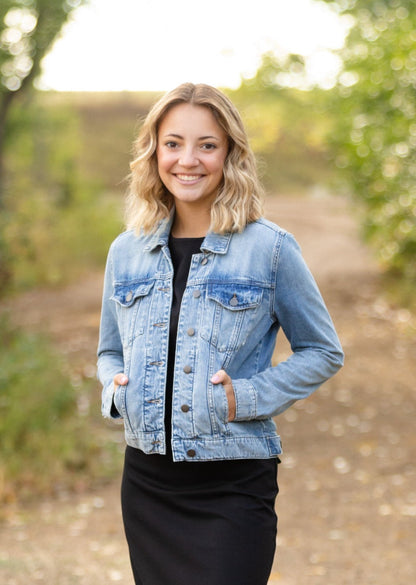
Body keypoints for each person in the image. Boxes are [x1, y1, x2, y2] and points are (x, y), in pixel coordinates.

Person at [97, 82, 344, 585]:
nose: (188, 160)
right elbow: (108, 350)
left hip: (232, 480)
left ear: (230, 153)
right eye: (173, 143)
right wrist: (115, 390)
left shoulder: (270, 249)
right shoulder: (126, 251)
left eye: (207, 145)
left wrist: (246, 397)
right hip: (148, 481)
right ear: (154, 152)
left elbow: (322, 350)